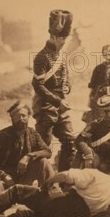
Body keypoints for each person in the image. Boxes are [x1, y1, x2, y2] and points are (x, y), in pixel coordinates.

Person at [32, 10, 76, 171]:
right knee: (43, 148)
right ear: (54, 37)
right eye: (63, 38)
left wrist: (67, 84)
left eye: (66, 37)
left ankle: (63, 180)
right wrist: (57, 101)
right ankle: (39, 182)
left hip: (61, 106)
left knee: (70, 142)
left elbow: (65, 74)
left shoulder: (60, 55)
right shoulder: (41, 57)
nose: (65, 41)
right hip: (46, 108)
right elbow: (38, 86)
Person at [0, 100, 54, 197]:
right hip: (5, 180)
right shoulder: (2, 136)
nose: (21, 119)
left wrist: (28, 156)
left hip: (24, 178)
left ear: (28, 116)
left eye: (24, 115)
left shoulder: (32, 133)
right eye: (17, 116)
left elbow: (47, 152)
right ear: (12, 118)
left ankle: (50, 196)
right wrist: (4, 176)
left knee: (44, 162)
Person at [74, 94, 110, 207]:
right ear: (103, 113)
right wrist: (88, 152)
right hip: (99, 161)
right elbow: (79, 141)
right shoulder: (95, 125)